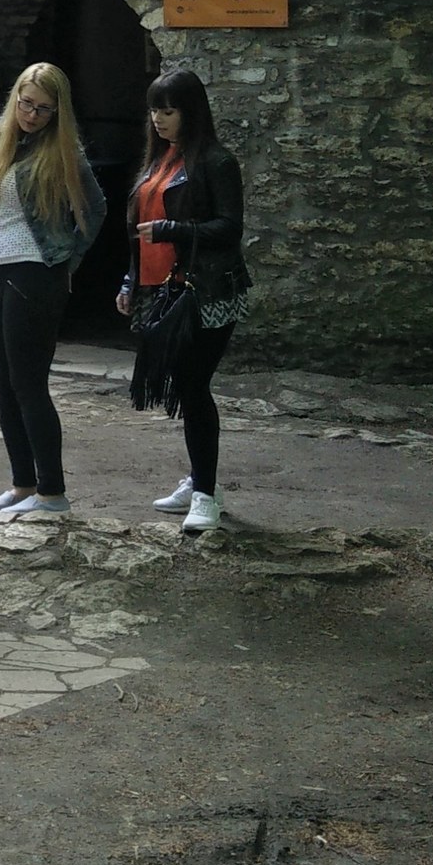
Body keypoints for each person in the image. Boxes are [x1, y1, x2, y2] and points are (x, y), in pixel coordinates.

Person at [0, 63, 105, 522]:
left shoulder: (62, 148)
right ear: (15, 96)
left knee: (28, 385)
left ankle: (52, 492)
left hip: (35, 274)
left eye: (44, 109)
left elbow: (95, 209)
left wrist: (66, 258)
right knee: (3, 384)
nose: (32, 114)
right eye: (26, 103)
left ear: (58, 112)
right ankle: (23, 485)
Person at [120, 68, 252, 537]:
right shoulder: (160, 160)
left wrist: (174, 231)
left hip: (206, 292)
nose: (158, 119)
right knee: (184, 387)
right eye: (154, 109)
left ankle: (206, 495)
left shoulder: (216, 161)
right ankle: (199, 480)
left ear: (189, 111)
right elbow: (141, 228)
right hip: (163, 290)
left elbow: (229, 228)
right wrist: (129, 281)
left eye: (168, 110)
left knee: (193, 388)